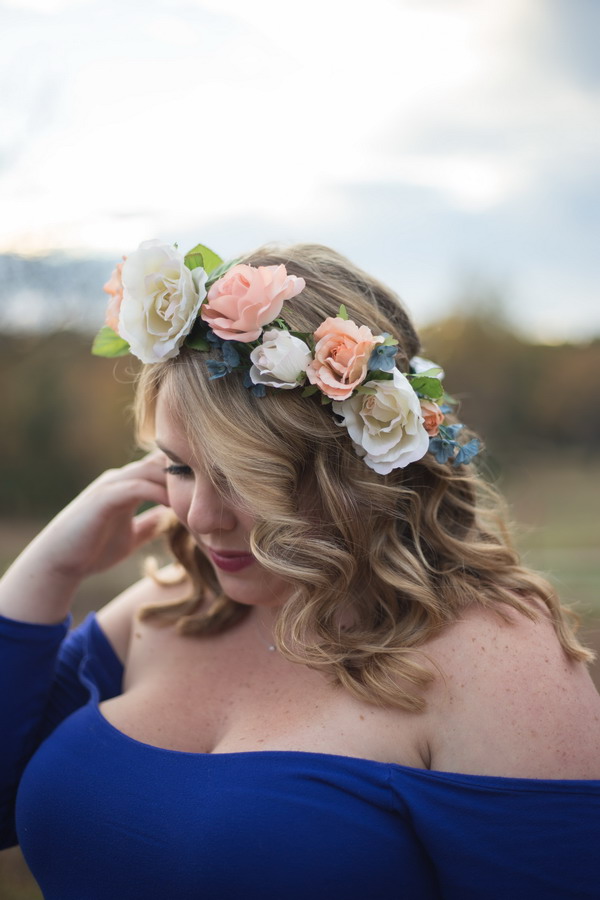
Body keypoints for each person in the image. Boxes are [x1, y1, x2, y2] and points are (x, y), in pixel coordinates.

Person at [1, 240, 599, 900]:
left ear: (360, 467)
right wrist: (43, 576)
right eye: (178, 467)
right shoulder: (170, 605)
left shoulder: (498, 655)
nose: (198, 518)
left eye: (243, 478)